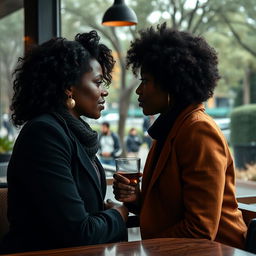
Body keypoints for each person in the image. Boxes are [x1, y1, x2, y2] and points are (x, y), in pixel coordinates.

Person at [113, 23, 247, 249]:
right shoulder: (170, 127)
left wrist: (142, 250)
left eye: (145, 81)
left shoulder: (198, 131)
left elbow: (200, 229)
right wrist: (136, 199)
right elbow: (172, 209)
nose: (139, 90)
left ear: (170, 85)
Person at [0, 31, 128, 254]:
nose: (104, 91)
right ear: (69, 87)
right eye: (97, 82)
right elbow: (79, 233)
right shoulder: (44, 134)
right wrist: (119, 214)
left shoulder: (74, 133)